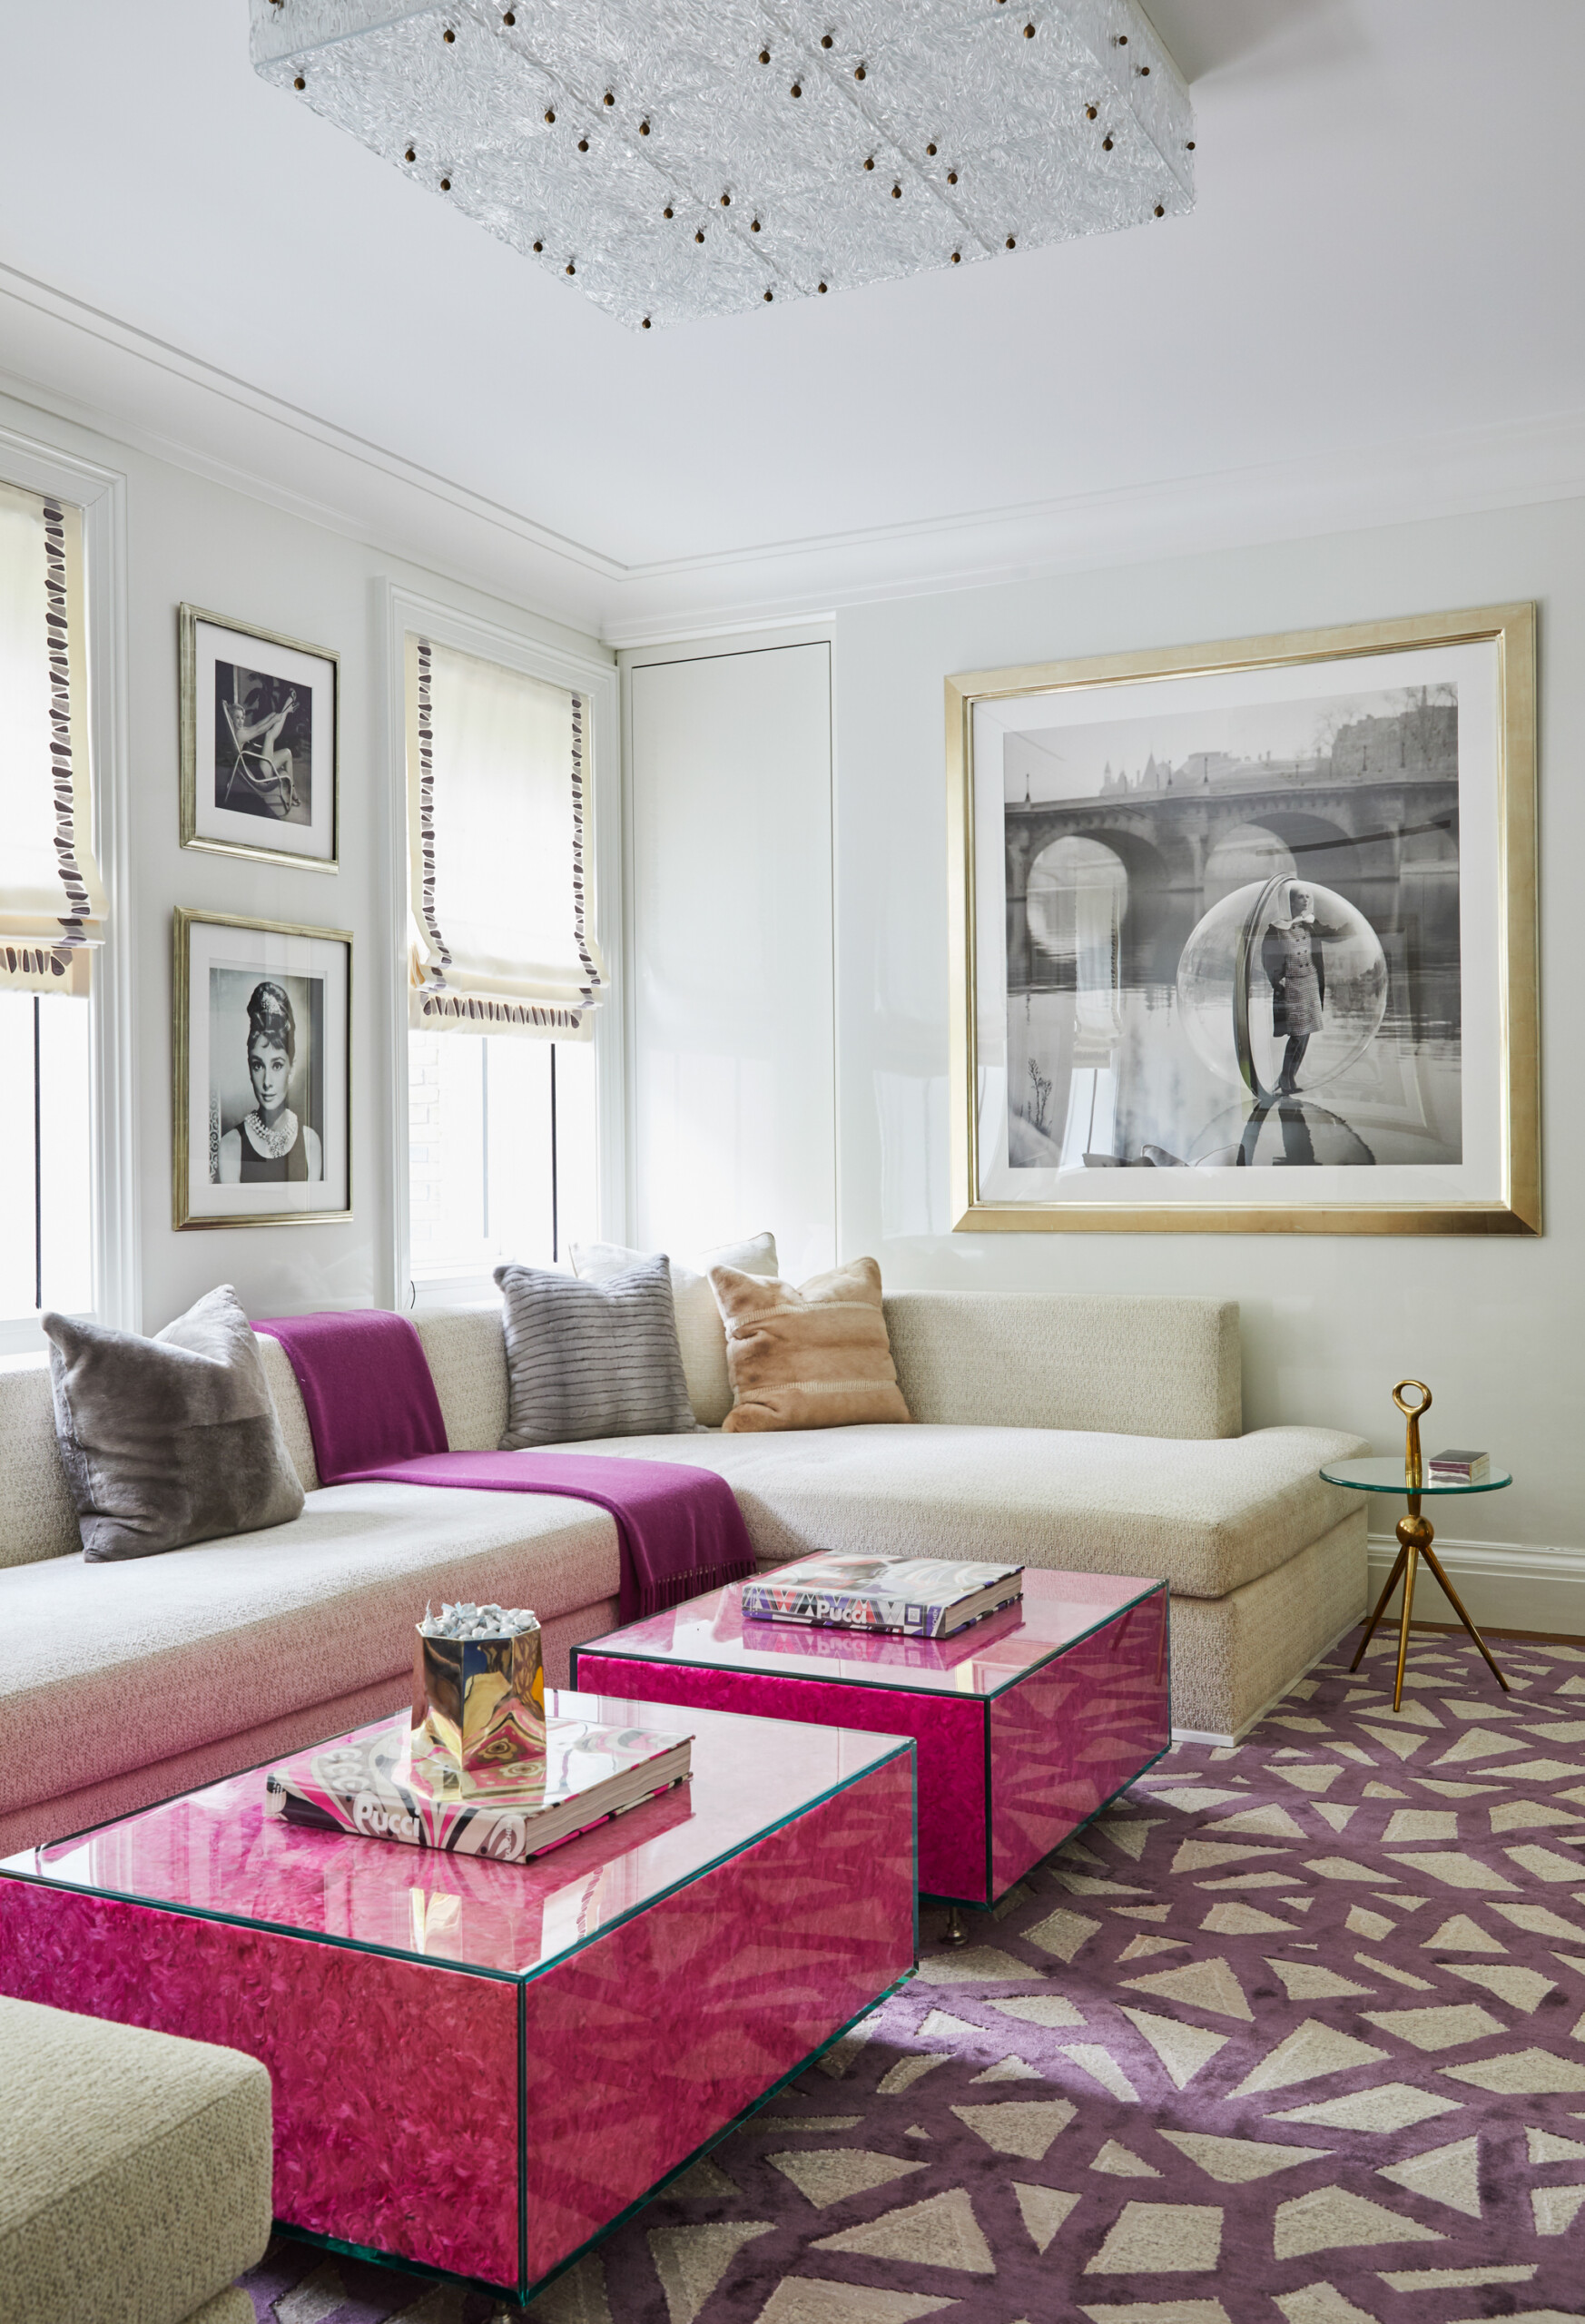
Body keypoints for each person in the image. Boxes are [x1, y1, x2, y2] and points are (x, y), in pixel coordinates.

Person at [217, 980, 322, 1183]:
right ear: (249, 1067)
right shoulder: (231, 1146)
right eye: (258, 1065)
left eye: (277, 1066)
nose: (266, 1082)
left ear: (291, 1069)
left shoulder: (310, 1143)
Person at [1260, 882, 1347, 1096]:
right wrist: (1275, 980)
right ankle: (1285, 1077)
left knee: (1306, 1032)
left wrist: (1355, 925)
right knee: (1297, 1033)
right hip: (1292, 984)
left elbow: (1333, 934)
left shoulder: (1310, 923)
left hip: (1310, 981)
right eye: (1301, 897)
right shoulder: (1276, 929)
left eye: (1308, 896)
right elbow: (1268, 957)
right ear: (1290, 901)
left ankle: (1289, 1077)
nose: (1306, 900)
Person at [230, 681, 300, 816]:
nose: (240, 721)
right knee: (269, 735)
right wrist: (274, 719)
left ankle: (293, 791)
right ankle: (287, 706)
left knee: (287, 753)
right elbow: (259, 730)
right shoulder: (239, 734)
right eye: (237, 718)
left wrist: (272, 716)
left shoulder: (240, 730)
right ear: (232, 719)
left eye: (242, 718)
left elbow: (256, 726)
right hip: (261, 771)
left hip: (260, 766)